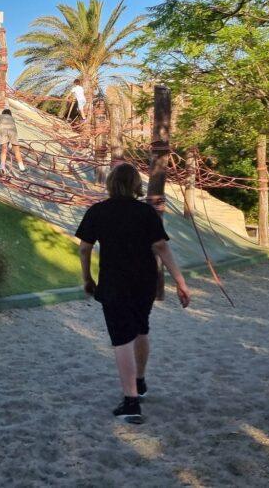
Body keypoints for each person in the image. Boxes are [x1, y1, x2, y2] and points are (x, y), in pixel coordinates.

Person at [75, 163, 191, 425]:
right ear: (136, 184)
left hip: (114, 283)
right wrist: (181, 282)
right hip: (144, 283)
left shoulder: (98, 211)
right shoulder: (146, 213)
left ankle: (131, 402)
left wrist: (87, 278)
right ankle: (139, 382)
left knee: (121, 339)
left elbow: (84, 249)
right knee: (140, 330)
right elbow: (161, 246)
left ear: (111, 184)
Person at [0, 108, 26, 174]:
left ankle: (2, 167)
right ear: (10, 114)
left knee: (4, 150)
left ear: (3, 113)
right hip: (13, 132)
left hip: (3, 132)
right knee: (17, 151)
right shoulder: (12, 118)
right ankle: (22, 168)